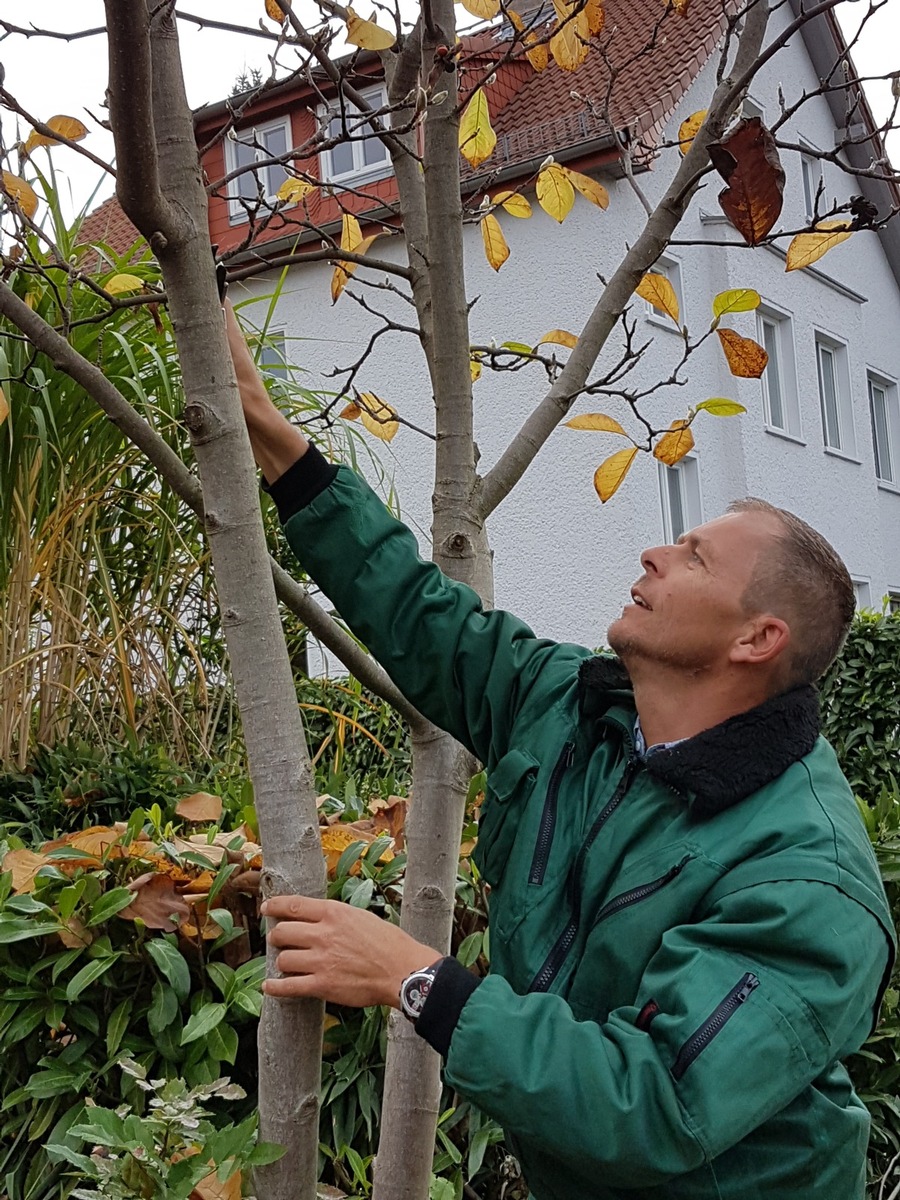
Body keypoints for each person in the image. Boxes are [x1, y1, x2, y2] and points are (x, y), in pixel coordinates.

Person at [225, 302, 895, 1199]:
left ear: (757, 638)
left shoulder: (806, 879)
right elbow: (425, 619)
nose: (656, 551)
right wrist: (275, 440)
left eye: (695, 557)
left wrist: (417, 980)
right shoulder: (574, 708)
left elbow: (663, 1101)